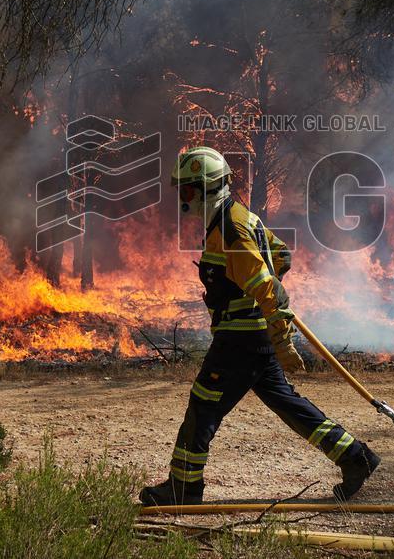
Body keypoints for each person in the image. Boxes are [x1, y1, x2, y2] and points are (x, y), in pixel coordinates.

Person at [139, 146, 380, 506]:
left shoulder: (231, 228)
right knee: (286, 403)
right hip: (252, 336)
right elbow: (280, 254)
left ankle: (183, 487)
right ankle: (354, 457)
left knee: (203, 406)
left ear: (207, 189)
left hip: (241, 340)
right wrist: (257, 292)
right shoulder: (237, 218)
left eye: (187, 189)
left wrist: (282, 339)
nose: (182, 198)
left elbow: (269, 287)